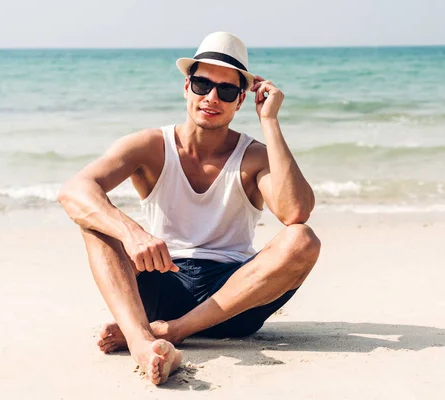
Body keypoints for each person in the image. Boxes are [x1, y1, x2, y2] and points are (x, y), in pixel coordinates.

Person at [58, 31, 321, 385]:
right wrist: (131, 233)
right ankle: (141, 343)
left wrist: (270, 122)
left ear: (240, 101)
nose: (212, 98)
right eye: (202, 84)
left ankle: (170, 333)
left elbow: (295, 213)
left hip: (233, 299)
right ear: (187, 87)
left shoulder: (254, 156)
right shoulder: (150, 145)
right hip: (162, 279)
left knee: (303, 239)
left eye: (226, 91)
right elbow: (74, 191)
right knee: (95, 225)